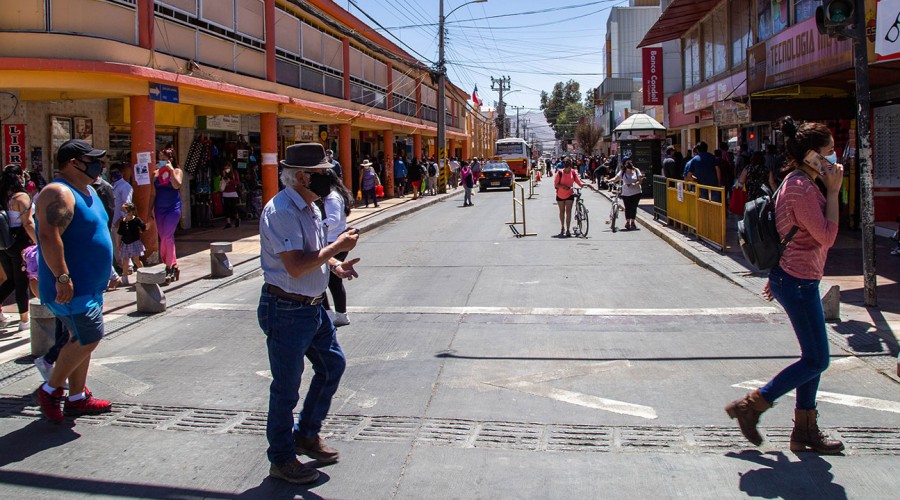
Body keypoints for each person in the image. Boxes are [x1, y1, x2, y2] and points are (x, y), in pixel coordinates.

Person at [725, 117, 845, 455]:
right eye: (828, 153)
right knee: (818, 359)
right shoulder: (801, 188)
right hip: (798, 282)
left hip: (796, 278)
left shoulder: (800, 181)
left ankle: (805, 430)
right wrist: (834, 192)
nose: (833, 159)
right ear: (811, 156)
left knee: (813, 357)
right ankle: (752, 405)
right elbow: (827, 236)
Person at [258, 142, 360, 484]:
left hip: (312, 306)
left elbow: (313, 252)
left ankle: (306, 433)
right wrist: (338, 247)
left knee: (333, 365)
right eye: (322, 173)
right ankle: (282, 458)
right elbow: (298, 265)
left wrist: (334, 265)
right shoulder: (283, 212)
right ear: (302, 176)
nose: (328, 178)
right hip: (287, 308)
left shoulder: (311, 206)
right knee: (286, 388)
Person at [34, 139, 114, 423]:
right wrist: (62, 277)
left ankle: (77, 397)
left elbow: (96, 233)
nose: (98, 165)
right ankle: (51, 389)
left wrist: (111, 271)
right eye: (91, 159)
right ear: (72, 163)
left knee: (79, 339)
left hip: (90, 286)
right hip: (70, 288)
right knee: (90, 337)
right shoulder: (58, 192)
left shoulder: (89, 190)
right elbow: (47, 236)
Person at [0, 165, 37, 331]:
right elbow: (28, 223)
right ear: (20, 177)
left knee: (11, 280)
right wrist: (38, 241)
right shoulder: (21, 196)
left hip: (4, 242)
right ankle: (24, 320)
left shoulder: (3, 196)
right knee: (22, 282)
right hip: (20, 242)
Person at [321, 170, 355, 327]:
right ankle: (336, 314)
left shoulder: (332, 196)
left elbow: (333, 220)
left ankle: (332, 314)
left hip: (333, 241)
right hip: (334, 240)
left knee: (327, 280)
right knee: (331, 280)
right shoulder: (333, 194)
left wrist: (315, 225)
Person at [149, 147, 183, 282]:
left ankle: (168, 266)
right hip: (159, 209)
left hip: (173, 208)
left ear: (171, 159)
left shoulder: (177, 171)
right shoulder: (155, 174)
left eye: (164, 159)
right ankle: (173, 263)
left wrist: (170, 170)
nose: (161, 161)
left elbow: (177, 185)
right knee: (164, 237)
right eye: (160, 159)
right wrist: (147, 213)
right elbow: (152, 194)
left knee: (167, 237)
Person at [607, 158, 643, 231]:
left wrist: (635, 183)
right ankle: (627, 222)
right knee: (627, 207)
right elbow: (616, 178)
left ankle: (632, 222)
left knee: (634, 207)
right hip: (626, 193)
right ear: (624, 164)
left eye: (630, 162)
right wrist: (608, 180)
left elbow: (640, 180)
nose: (629, 163)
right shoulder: (622, 172)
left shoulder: (636, 170)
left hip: (636, 192)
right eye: (627, 162)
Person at [109, 162, 133, 269]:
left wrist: (121, 218)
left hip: (120, 221)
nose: (114, 175)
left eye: (117, 173)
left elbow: (126, 204)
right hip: (112, 221)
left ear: (122, 173)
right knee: (115, 246)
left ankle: (128, 266)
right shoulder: (112, 186)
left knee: (121, 245)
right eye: (112, 173)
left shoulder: (125, 186)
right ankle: (121, 265)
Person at [117, 202, 145, 285]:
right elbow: (120, 234)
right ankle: (124, 279)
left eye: (127, 211)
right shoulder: (123, 221)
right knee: (125, 261)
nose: (126, 213)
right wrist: (119, 244)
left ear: (132, 211)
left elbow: (143, 227)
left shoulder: (136, 220)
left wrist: (141, 229)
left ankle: (143, 274)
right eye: (124, 211)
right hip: (125, 243)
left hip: (134, 242)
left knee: (136, 259)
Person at [554, 159, 584, 237]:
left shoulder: (573, 172)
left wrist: (586, 185)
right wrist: (563, 186)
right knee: (562, 211)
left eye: (569, 168)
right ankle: (562, 227)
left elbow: (579, 183)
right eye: (566, 168)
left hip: (570, 194)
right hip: (560, 194)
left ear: (571, 166)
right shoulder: (560, 172)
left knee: (568, 212)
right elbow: (556, 184)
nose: (568, 170)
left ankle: (568, 229)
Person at [221, 161, 241, 229]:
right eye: (225, 168)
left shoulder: (234, 173)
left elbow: (237, 182)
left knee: (233, 208)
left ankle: (237, 219)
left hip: (233, 193)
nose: (226, 169)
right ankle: (228, 222)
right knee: (226, 209)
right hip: (225, 193)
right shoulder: (223, 173)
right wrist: (224, 176)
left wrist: (230, 181)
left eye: (228, 167)